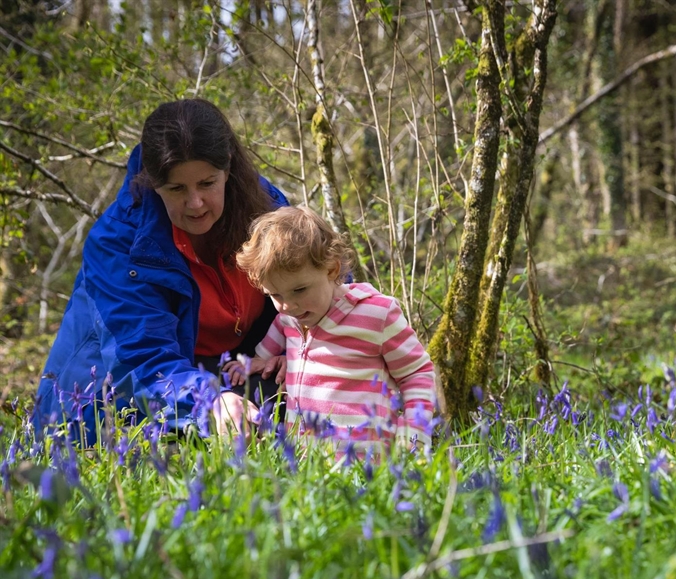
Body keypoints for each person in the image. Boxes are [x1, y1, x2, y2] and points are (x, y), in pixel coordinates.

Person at [33, 98, 287, 444]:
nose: (195, 203)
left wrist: (296, 350)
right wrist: (210, 401)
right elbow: (142, 359)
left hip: (230, 373)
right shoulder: (117, 244)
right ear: (153, 182)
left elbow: (320, 283)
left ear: (227, 167)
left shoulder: (264, 204)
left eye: (207, 183)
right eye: (176, 188)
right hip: (113, 407)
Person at [226, 205, 436, 459]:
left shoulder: (378, 315)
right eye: (275, 295)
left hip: (366, 464)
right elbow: (280, 327)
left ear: (332, 269)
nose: (287, 305)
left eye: (299, 290)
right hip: (305, 464)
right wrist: (258, 359)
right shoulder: (291, 318)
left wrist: (413, 437)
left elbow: (417, 374)